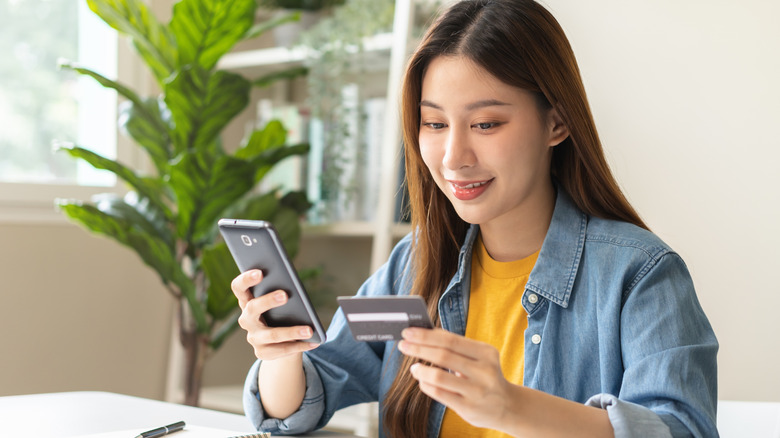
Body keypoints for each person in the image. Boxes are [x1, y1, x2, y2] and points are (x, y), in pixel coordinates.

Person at [231, 0, 719, 436]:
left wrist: (512, 408)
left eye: (486, 124)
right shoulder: (413, 264)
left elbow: (680, 430)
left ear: (556, 122)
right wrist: (282, 354)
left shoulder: (640, 274)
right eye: (435, 124)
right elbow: (301, 404)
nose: (453, 157)